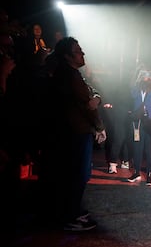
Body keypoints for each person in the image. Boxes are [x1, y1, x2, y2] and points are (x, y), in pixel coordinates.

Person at [41, 36, 106, 231]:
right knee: (77, 174)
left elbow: (91, 97)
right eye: (78, 51)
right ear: (68, 56)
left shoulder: (65, 74)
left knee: (72, 173)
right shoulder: (70, 76)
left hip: (71, 130)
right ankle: (70, 215)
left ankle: (71, 211)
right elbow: (88, 104)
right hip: (76, 131)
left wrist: (94, 98)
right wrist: (100, 127)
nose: (82, 53)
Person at [127, 70, 151, 185]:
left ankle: (149, 174)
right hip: (137, 120)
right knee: (137, 146)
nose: (146, 79)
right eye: (144, 77)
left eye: (147, 77)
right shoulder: (138, 87)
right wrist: (138, 80)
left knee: (149, 148)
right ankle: (136, 172)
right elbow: (132, 94)